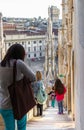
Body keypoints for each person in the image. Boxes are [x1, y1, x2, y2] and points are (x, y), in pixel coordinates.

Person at [0, 44, 36, 130]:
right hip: (19, 103)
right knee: (22, 127)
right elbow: (33, 77)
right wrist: (21, 78)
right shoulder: (18, 63)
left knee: (9, 128)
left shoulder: (1, 64)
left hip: (4, 104)